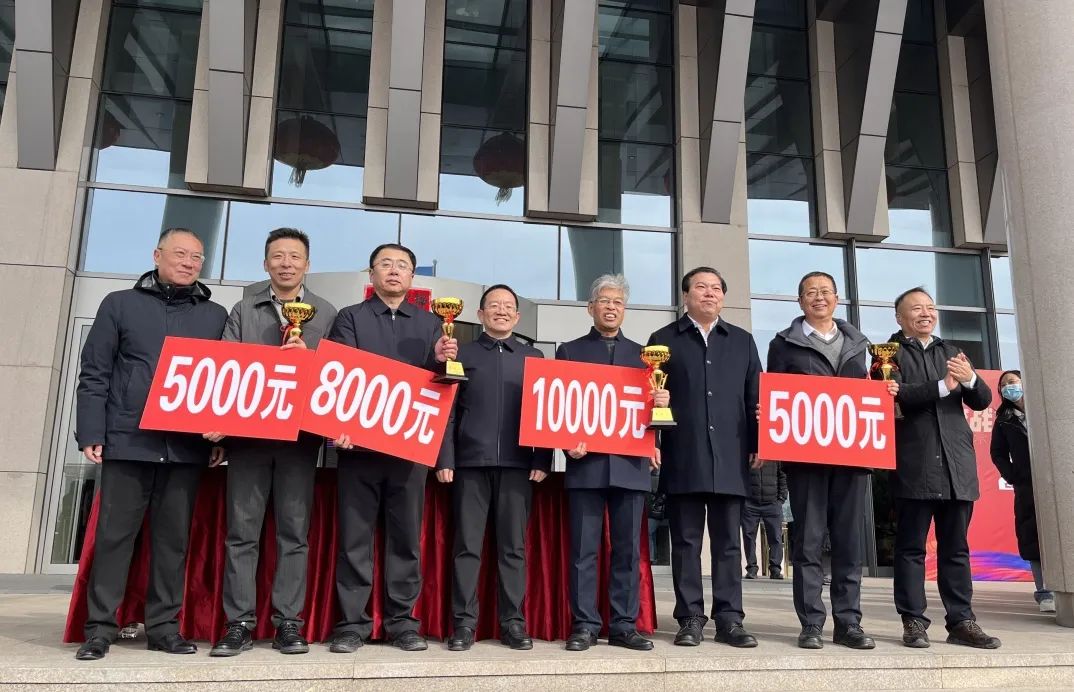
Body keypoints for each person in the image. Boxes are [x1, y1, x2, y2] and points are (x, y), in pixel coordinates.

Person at [74, 228, 228, 660]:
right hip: (128, 441)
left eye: (196, 257)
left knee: (173, 543)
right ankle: (100, 629)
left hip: (186, 448)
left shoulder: (215, 315)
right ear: (157, 255)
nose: (188, 263)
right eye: (180, 254)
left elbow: (224, 381)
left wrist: (223, 437)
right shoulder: (119, 304)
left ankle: (164, 628)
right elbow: (95, 371)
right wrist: (92, 431)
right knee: (114, 538)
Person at [208, 228, 337, 657]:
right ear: (266, 264)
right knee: (241, 534)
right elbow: (226, 367)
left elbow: (336, 375)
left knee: (294, 534)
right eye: (278, 256)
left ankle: (289, 623)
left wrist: (309, 362)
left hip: (300, 440)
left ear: (307, 264)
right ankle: (238, 624)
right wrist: (220, 427)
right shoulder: (244, 309)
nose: (286, 263)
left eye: (295, 256)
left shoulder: (326, 313)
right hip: (250, 439)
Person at [326, 243, 457, 653]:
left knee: (405, 541)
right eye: (386, 264)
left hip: (410, 451)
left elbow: (442, 390)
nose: (394, 270)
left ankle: (402, 622)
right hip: (358, 449)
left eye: (402, 265)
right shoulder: (350, 318)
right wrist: (336, 427)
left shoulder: (432, 325)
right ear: (372, 274)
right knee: (354, 541)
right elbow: (340, 375)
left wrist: (442, 361)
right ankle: (352, 625)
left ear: (413, 277)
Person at [765, 271, 895, 650]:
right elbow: (776, 394)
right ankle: (811, 623)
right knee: (808, 542)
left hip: (851, 456)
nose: (818, 297)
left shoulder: (860, 344)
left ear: (837, 299)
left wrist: (885, 390)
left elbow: (870, 392)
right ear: (800, 301)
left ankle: (849, 622)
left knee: (848, 543)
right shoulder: (783, 344)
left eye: (825, 291)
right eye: (810, 292)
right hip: (806, 458)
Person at [648, 267, 762, 648]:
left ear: (723, 297)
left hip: (731, 456)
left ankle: (730, 619)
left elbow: (756, 396)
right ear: (686, 296)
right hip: (684, 454)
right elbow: (646, 398)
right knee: (686, 543)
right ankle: (690, 618)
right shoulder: (662, 341)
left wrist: (759, 443)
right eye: (701, 287)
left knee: (729, 544)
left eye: (716, 288)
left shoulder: (743, 341)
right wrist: (652, 437)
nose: (709, 293)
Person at [881, 287, 1001, 649]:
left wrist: (969, 379)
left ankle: (961, 621)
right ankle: (913, 621)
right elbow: (894, 396)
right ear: (900, 317)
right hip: (914, 463)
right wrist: (942, 387)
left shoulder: (952, 351)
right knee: (911, 549)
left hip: (956, 465)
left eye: (930, 308)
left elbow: (981, 400)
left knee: (956, 550)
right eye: (916, 308)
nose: (926, 313)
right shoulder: (887, 354)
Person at [435, 284, 552, 652]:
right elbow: (448, 410)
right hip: (470, 464)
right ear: (481, 314)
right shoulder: (463, 354)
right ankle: (463, 624)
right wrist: (445, 458)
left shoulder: (533, 357)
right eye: (494, 305)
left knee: (513, 549)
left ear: (517, 317)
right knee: (466, 547)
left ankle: (513, 623)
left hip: (519, 466)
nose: (501, 311)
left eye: (508, 306)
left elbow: (544, 410)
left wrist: (542, 457)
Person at [556, 274, 668, 652]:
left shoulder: (645, 356)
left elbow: (649, 411)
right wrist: (565, 443)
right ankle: (584, 625)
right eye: (604, 300)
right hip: (585, 464)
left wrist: (659, 416)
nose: (611, 307)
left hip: (630, 464)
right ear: (591, 307)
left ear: (624, 309)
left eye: (618, 302)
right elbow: (559, 407)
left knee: (627, 551)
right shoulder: (569, 351)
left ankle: (623, 625)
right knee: (583, 551)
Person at [989, 369, 1055, 613]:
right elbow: (997, 453)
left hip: (1053, 482)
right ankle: (1044, 592)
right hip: (1026, 485)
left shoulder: (1044, 409)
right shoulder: (1004, 419)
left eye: (1013, 381)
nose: (1009, 387)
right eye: (1004, 384)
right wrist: (1013, 475)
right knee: (1032, 535)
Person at [741, 460, 786, 580]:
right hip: (750, 503)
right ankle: (751, 568)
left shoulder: (775, 454)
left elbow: (782, 475)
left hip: (772, 504)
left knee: (776, 537)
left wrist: (781, 498)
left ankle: (775, 569)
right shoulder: (747, 453)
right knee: (749, 537)